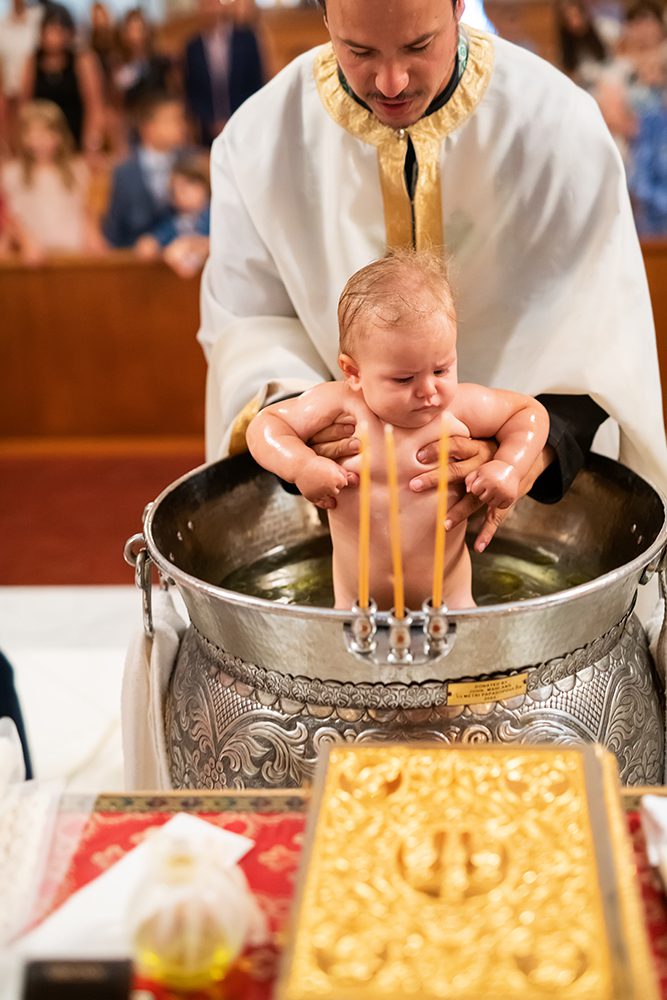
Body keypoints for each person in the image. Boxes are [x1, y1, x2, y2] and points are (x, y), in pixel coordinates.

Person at [200, 0, 667, 545]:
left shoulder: (558, 124)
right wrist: (308, 428)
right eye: (359, 51)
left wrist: (519, 450)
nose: (392, 81)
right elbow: (248, 320)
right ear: (326, 18)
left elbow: (603, 326)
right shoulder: (260, 140)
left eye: (419, 46)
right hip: (348, 501)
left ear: (458, 7)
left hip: (535, 503)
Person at [247, 251, 549, 610]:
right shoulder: (340, 405)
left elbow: (528, 413)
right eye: (404, 378)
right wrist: (300, 466)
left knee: (473, 662)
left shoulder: (458, 408)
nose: (428, 390)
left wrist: (508, 466)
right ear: (353, 372)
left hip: (450, 600)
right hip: (354, 607)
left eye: (441, 369)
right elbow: (266, 425)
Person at [1, 99, 104, 259]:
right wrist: (24, 240)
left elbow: (86, 213)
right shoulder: (11, 174)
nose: (40, 140)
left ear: (60, 136)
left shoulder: (77, 169)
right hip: (33, 255)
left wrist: (93, 238)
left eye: (47, 133)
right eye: (32, 133)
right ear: (23, 136)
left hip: (72, 251)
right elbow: (9, 217)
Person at [103, 92, 188, 248]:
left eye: (181, 119)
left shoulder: (192, 162)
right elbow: (114, 231)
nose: (181, 126)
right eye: (172, 120)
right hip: (137, 260)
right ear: (149, 128)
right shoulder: (125, 172)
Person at [20, 2, 105, 155]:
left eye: (59, 30)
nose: (54, 37)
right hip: (40, 143)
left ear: (69, 32)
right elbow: (24, 105)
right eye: (49, 30)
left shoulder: (83, 61)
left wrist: (92, 144)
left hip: (75, 138)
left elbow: (95, 106)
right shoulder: (32, 61)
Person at [184, 0, 264, 147]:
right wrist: (211, 122)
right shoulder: (192, 47)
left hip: (244, 123)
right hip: (208, 131)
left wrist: (236, 118)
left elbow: (256, 83)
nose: (210, 9)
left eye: (213, 3)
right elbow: (192, 90)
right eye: (205, 5)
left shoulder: (247, 39)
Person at [135, 153, 210, 277]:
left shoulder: (214, 218)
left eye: (189, 185)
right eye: (177, 188)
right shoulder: (173, 222)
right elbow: (158, 238)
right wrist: (150, 243)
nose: (182, 192)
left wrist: (193, 244)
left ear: (205, 187)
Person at [112, 8, 175, 115]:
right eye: (131, 30)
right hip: (135, 118)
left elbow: (172, 91)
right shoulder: (120, 67)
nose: (136, 36)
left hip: (161, 114)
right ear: (125, 34)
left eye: (139, 29)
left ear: (147, 32)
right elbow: (119, 103)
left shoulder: (160, 61)